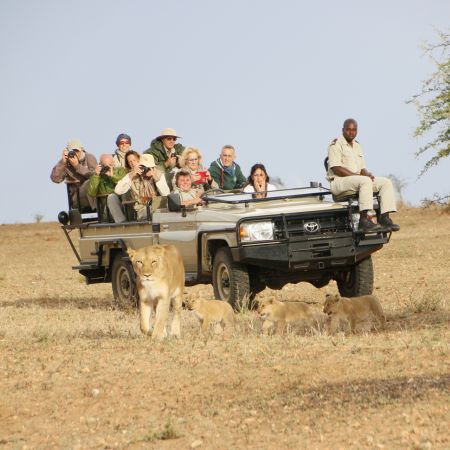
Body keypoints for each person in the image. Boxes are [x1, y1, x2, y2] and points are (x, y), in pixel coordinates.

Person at [327, 118, 400, 232]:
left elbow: (361, 168)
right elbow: (336, 169)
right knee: (364, 181)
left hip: (356, 181)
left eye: (354, 130)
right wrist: (361, 177)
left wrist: (368, 174)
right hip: (339, 182)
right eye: (348, 129)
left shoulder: (357, 145)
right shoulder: (335, 144)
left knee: (385, 182)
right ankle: (364, 221)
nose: (351, 132)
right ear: (343, 130)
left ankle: (384, 219)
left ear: (357, 131)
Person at [115, 153, 170, 221]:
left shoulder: (158, 174)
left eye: (150, 167)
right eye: (144, 167)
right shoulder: (133, 175)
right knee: (153, 211)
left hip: (158, 207)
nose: (147, 169)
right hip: (142, 209)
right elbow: (118, 190)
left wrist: (156, 178)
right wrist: (131, 175)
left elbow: (166, 194)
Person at [50, 139, 97, 209]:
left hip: (92, 191)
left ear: (81, 150)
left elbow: (94, 175)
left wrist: (77, 166)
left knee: (91, 182)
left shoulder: (89, 157)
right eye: (72, 151)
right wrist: (63, 162)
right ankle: (98, 208)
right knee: (89, 183)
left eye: (77, 151)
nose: (75, 153)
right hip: (76, 196)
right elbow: (55, 179)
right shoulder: (65, 163)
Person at [87, 154, 128, 222]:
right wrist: (96, 175)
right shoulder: (96, 175)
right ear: (100, 164)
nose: (107, 167)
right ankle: (121, 222)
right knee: (111, 197)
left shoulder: (120, 171)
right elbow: (91, 193)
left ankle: (121, 222)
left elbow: (124, 185)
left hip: (123, 205)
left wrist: (112, 176)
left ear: (113, 163)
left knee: (112, 197)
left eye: (109, 165)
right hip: (107, 210)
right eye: (104, 165)